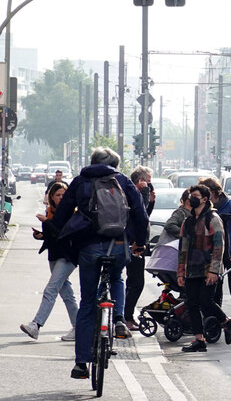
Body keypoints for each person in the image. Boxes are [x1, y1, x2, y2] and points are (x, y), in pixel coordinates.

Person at [52, 147, 148, 380]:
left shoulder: (80, 181)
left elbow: (62, 213)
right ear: (115, 163)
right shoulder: (122, 181)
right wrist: (139, 242)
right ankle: (118, 320)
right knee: (116, 277)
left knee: (87, 304)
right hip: (117, 245)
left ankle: (81, 364)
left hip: (89, 248)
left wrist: (61, 237)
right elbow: (140, 214)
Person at [176, 185, 231, 352]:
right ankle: (199, 340)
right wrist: (181, 272)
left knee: (206, 301)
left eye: (195, 195)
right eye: (190, 195)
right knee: (192, 303)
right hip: (191, 269)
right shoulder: (187, 222)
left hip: (207, 268)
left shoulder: (213, 218)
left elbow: (219, 246)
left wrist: (214, 270)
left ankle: (227, 322)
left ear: (204, 199)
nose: (191, 198)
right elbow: (183, 248)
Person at [21, 182, 77, 341]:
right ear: (51, 197)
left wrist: (46, 222)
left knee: (51, 289)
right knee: (66, 293)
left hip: (67, 257)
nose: (61, 198)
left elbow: (62, 234)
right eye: (58, 195)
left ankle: (36, 325)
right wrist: (41, 235)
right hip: (54, 255)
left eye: (64, 195)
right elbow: (52, 236)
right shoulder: (51, 212)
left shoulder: (71, 213)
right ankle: (79, 327)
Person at [199, 177, 231, 341]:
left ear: (213, 193)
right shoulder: (207, 209)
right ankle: (216, 325)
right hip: (215, 256)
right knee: (214, 291)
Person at [124, 166, 155, 332]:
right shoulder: (134, 195)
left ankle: (126, 315)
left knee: (133, 282)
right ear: (141, 181)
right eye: (148, 183)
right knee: (136, 283)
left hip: (136, 243)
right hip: (134, 244)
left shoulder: (137, 195)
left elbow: (145, 215)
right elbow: (139, 216)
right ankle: (126, 317)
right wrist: (144, 194)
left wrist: (151, 201)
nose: (150, 187)